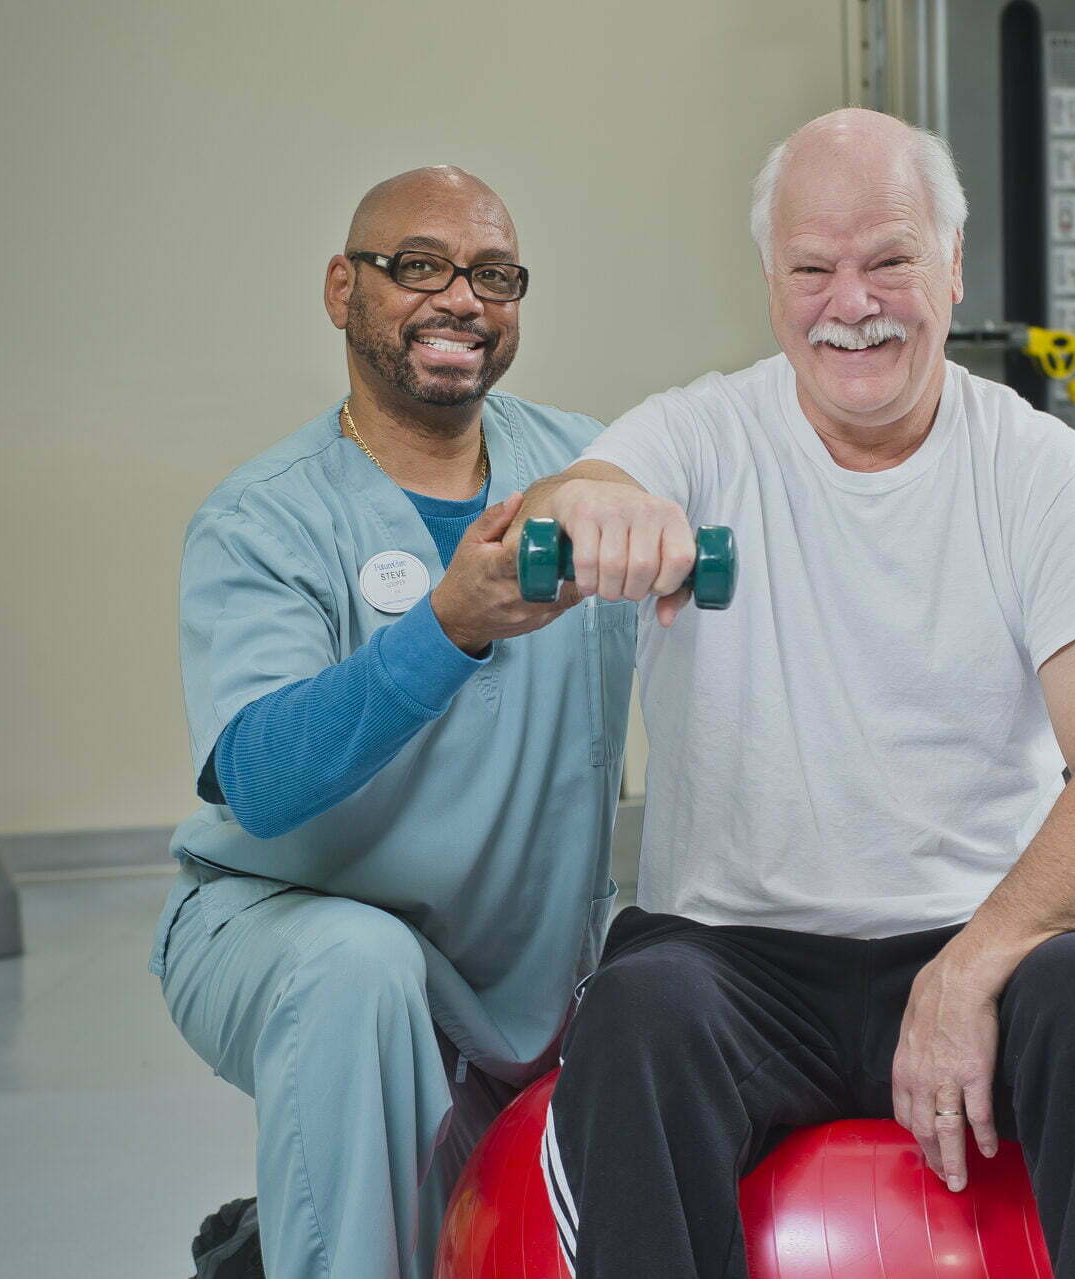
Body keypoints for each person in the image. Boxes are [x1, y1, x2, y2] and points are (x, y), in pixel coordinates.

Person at [524, 110, 1075, 1279]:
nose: (853, 302)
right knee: (634, 1020)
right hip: (732, 961)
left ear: (953, 265)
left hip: (989, 937)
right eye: (812, 269)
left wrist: (972, 967)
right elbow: (572, 496)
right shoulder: (700, 433)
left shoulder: (1040, 472)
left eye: (889, 259)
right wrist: (595, 509)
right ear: (770, 282)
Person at [149, 166, 637, 1279]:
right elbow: (258, 778)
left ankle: (269, 1246)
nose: (462, 298)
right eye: (420, 265)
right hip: (281, 927)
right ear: (342, 288)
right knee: (359, 972)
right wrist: (445, 628)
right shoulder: (265, 518)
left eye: (495, 275)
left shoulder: (589, 470)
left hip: (520, 964)